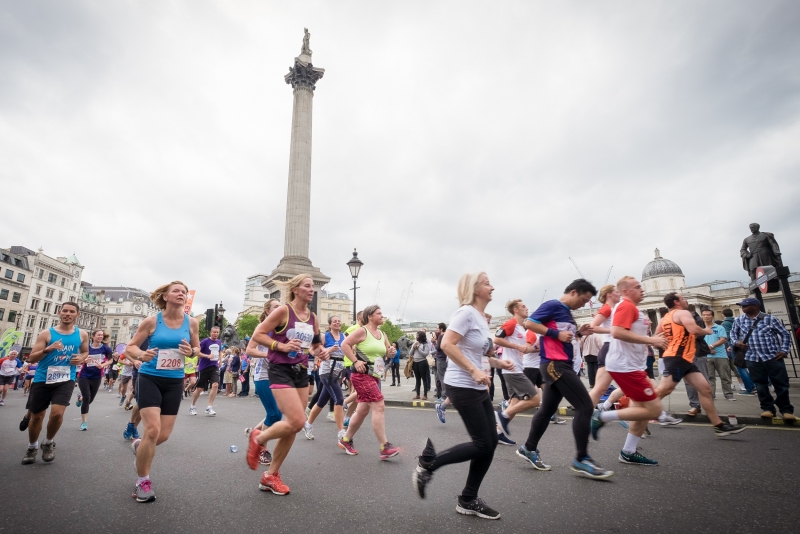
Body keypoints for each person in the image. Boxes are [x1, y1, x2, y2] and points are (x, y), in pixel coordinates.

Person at [413, 272, 512, 520]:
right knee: (482, 443)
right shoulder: (465, 313)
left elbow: (474, 352)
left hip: (478, 386)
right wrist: (473, 370)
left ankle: (468, 499)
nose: (493, 287)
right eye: (487, 283)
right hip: (462, 385)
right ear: (474, 289)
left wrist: (499, 363)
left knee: (489, 444)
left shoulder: (479, 317)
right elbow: (447, 344)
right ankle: (427, 467)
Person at [518, 279, 613, 479]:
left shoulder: (567, 313)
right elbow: (530, 323)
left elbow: (564, 336)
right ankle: (581, 458)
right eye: (583, 299)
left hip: (561, 363)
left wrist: (578, 333)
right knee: (585, 406)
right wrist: (556, 333)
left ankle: (528, 448)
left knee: (547, 410)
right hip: (555, 364)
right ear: (573, 292)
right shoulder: (553, 305)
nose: (583, 304)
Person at [246, 274, 327, 495]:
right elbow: (258, 334)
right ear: (295, 289)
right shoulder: (283, 311)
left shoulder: (313, 317)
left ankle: (270, 476)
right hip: (280, 370)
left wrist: (323, 352)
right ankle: (259, 437)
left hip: (300, 370)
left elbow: (315, 347)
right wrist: (278, 346)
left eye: (313, 286)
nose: (311, 289)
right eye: (307, 286)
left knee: (294, 426)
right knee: (298, 420)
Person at [125, 281, 200, 503]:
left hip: (175, 381)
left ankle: (140, 447)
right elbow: (131, 347)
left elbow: (195, 350)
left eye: (184, 292)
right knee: (152, 431)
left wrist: (192, 351)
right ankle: (143, 481)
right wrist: (141, 355)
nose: (182, 294)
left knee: (163, 436)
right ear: (165, 296)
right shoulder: (152, 321)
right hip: (150, 378)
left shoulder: (192, 323)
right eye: (177, 290)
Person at [589, 276, 668, 466]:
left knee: (643, 409)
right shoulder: (626, 306)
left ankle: (628, 451)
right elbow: (616, 332)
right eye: (637, 287)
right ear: (625, 291)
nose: (642, 290)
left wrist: (650, 335)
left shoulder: (633, 309)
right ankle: (603, 415)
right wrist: (652, 341)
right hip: (626, 367)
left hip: (632, 365)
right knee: (654, 409)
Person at [654, 292, 746, 436]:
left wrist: (669, 342)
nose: (686, 300)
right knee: (663, 391)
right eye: (683, 298)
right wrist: (706, 331)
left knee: (705, 390)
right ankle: (634, 412)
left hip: (685, 358)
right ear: (677, 302)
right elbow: (694, 329)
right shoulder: (682, 312)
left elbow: (656, 336)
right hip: (677, 358)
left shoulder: (665, 318)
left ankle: (718, 425)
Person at [22, 302, 89, 465]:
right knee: (37, 417)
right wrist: (48, 349)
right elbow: (31, 358)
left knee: (57, 414)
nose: (67, 314)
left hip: (66, 379)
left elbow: (85, 352)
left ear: (77, 315)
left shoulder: (82, 334)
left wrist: (81, 358)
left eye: (71, 311)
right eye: (65, 311)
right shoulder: (47, 334)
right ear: (59, 313)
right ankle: (32, 447)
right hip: (42, 378)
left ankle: (48, 442)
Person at [338, 304, 399, 459]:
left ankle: (345, 439)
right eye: (378, 313)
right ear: (370, 316)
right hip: (362, 374)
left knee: (363, 410)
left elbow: (388, 353)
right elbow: (345, 344)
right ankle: (384, 446)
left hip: (375, 375)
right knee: (379, 406)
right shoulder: (362, 331)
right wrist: (355, 361)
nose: (382, 315)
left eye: (382, 313)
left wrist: (391, 352)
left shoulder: (382, 333)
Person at [729, 297, 794, 421]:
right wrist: (737, 342)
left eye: (745, 306)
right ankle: (767, 408)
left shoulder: (769, 318)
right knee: (760, 385)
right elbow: (732, 335)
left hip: (772, 356)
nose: (743, 308)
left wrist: (784, 350)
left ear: (756, 306)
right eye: (742, 306)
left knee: (781, 384)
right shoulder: (738, 320)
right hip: (752, 357)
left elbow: (785, 334)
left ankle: (786, 410)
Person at [493, 300, 540, 447]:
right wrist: (516, 346)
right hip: (512, 370)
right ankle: (502, 416)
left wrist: (526, 347)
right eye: (523, 306)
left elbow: (524, 347)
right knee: (535, 400)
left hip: (516, 368)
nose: (526, 308)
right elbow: (496, 339)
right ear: (515, 310)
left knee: (514, 402)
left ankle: (498, 433)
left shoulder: (521, 327)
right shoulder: (511, 323)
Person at [245, 298, 283, 466]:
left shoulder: (283, 330)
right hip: (263, 375)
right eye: (275, 307)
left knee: (275, 413)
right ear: (268, 311)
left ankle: (255, 433)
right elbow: (249, 350)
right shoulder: (262, 329)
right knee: (275, 414)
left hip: (280, 376)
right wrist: (268, 355)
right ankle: (262, 449)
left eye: (280, 307)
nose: (279, 309)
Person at [305, 315, 347, 440]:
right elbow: (312, 351)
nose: (337, 323)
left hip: (337, 372)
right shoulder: (325, 336)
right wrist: (328, 350)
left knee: (322, 401)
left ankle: (308, 424)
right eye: (334, 321)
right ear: (329, 324)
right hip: (326, 372)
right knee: (339, 399)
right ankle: (341, 432)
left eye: (339, 321)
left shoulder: (344, 337)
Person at [77, 329, 113, 430]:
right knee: (87, 397)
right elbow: (79, 359)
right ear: (93, 336)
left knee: (90, 399)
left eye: (101, 335)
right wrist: (84, 360)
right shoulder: (86, 347)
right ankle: (84, 423)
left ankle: (80, 397)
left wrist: (103, 365)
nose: (100, 337)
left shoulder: (106, 348)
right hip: (84, 375)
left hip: (96, 376)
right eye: (98, 335)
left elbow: (110, 360)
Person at [684, 304, 712, 416]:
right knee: (688, 382)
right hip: (685, 355)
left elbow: (698, 335)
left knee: (703, 380)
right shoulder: (676, 319)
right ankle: (695, 405)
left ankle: (709, 405)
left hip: (697, 353)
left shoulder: (696, 319)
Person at [721, 308, 756, 395]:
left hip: (735, 346)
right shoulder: (737, 320)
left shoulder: (725, 323)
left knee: (740, 367)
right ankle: (752, 385)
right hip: (743, 345)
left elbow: (728, 335)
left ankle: (749, 388)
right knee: (744, 367)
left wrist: (730, 345)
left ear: (723, 314)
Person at [702, 309, 734, 401]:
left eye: (708, 315)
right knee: (709, 377)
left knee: (724, 376)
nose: (706, 316)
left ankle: (728, 394)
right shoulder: (701, 329)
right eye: (704, 315)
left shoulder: (720, 328)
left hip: (720, 355)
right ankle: (711, 394)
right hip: (707, 355)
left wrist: (712, 346)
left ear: (712, 316)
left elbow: (723, 339)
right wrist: (707, 349)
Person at [190, 325, 222, 416]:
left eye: (217, 332)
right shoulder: (205, 341)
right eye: (214, 332)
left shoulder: (219, 342)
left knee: (215, 385)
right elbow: (197, 352)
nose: (215, 334)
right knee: (199, 388)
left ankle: (209, 407)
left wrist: (220, 359)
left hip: (214, 366)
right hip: (203, 367)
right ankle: (192, 406)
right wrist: (207, 356)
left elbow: (220, 351)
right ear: (210, 332)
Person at [410, 331, 431, 400]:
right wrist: (413, 347)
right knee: (417, 379)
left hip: (422, 362)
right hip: (415, 362)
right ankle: (417, 394)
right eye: (416, 335)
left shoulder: (425, 344)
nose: (416, 337)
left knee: (424, 379)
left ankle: (425, 395)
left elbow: (425, 354)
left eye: (418, 336)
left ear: (421, 337)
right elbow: (410, 353)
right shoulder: (415, 343)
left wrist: (418, 348)